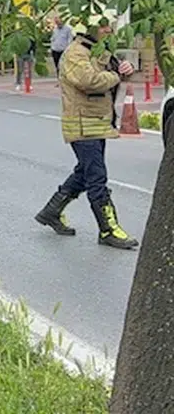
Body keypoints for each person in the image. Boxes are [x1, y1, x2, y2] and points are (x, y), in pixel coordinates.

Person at [34, 18, 140, 249]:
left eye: (109, 25)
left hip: (98, 122)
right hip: (82, 125)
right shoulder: (75, 54)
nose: (108, 30)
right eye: (103, 26)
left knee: (84, 172)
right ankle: (108, 229)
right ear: (90, 29)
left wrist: (126, 69)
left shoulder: (99, 50)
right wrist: (117, 76)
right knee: (96, 177)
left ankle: (51, 211)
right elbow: (90, 81)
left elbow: (117, 71)